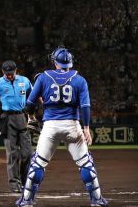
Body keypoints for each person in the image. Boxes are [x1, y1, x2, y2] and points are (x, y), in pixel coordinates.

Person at [16, 46, 108, 207]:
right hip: (73, 125)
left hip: (50, 127)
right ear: (70, 63)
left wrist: (30, 116)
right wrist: (86, 128)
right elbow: (85, 106)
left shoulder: (43, 77)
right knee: (86, 163)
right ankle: (96, 199)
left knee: (38, 164)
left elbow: (30, 103)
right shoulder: (80, 80)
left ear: (55, 62)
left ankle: (27, 200)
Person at [0, 60, 34, 193]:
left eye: (11, 73)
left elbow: (34, 95)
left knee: (28, 153)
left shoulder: (25, 81)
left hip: (22, 117)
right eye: (7, 74)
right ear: (3, 72)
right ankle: (14, 184)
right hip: (7, 120)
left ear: (16, 70)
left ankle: (23, 180)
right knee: (12, 154)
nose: (9, 76)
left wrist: (38, 110)